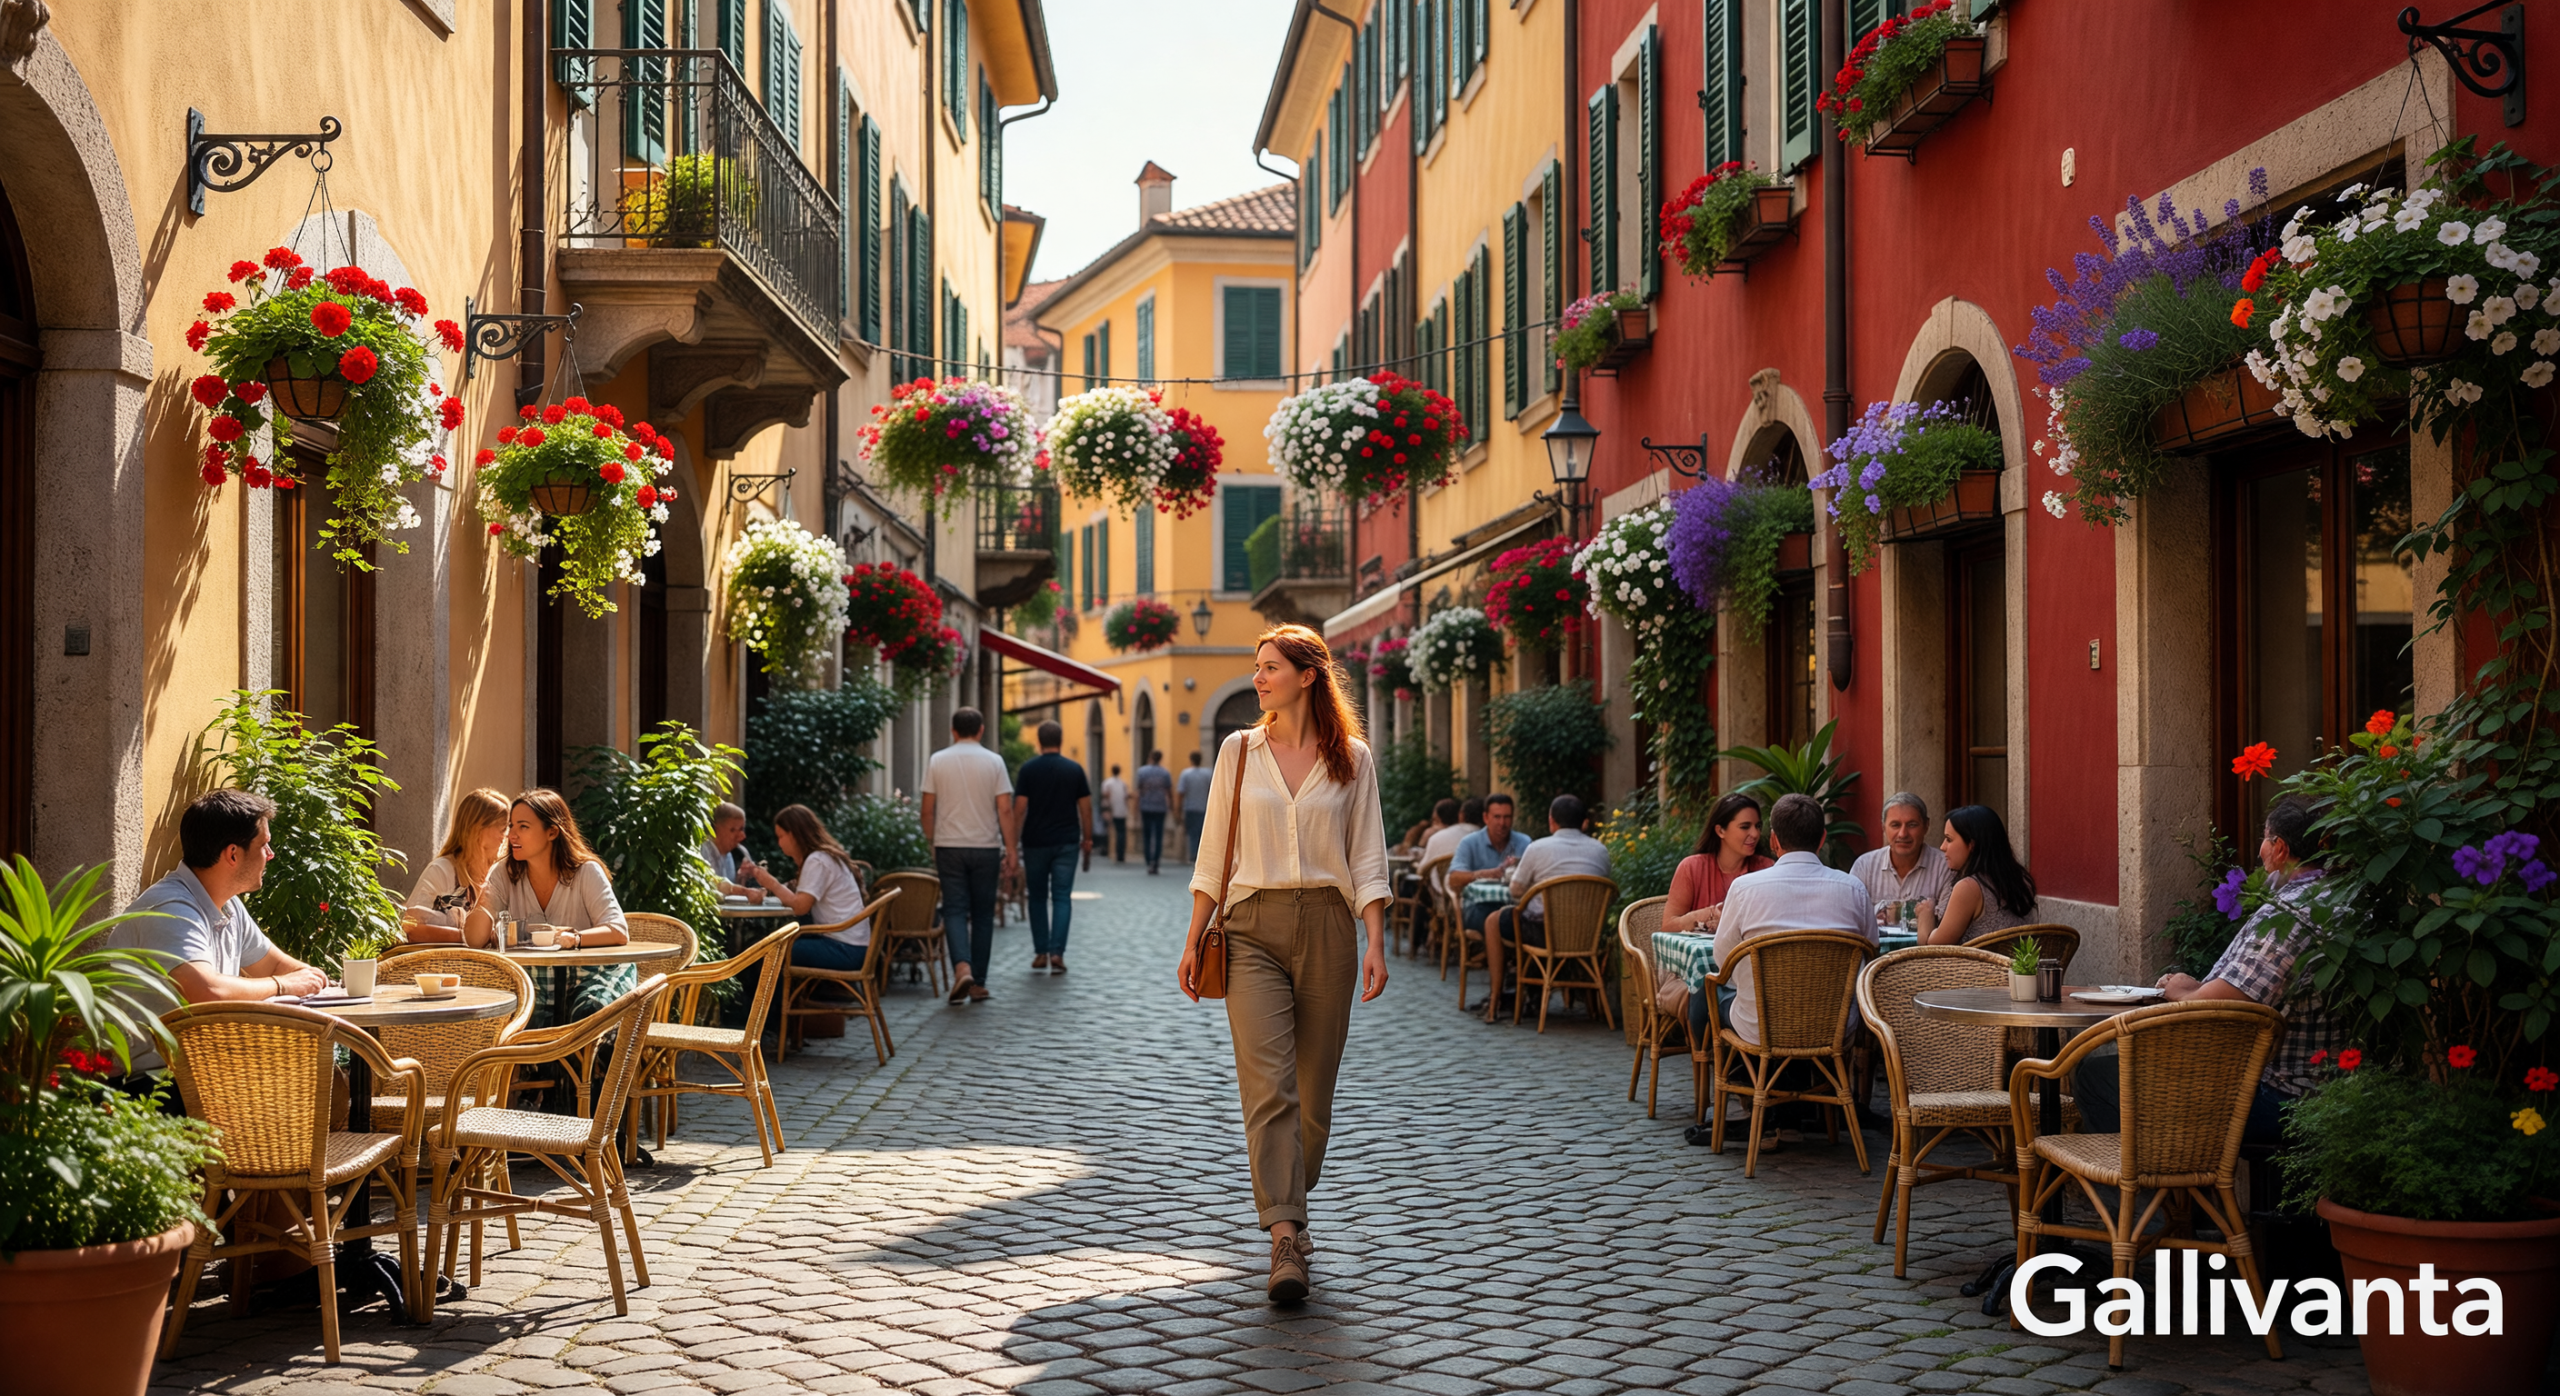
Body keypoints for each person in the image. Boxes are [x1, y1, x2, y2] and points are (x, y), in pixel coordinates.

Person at [1178, 625, 1391, 1306]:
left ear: (1307, 676)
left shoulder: (1351, 758)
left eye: (1270, 668)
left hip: (1329, 927)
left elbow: (1367, 857)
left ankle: (1291, 1200)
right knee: (1268, 1087)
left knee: (1313, 1094)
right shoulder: (1239, 753)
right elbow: (1214, 850)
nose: (1259, 678)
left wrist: (1376, 941)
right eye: (1257, 667)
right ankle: (1285, 1235)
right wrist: (1193, 937)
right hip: (1250, 930)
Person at [2073, 797, 2341, 1146]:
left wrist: (2181, 989)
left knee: (2096, 1076)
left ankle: (2147, 1193)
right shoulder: (2344, 897)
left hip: (2283, 1097)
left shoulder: (2290, 913)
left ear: (2279, 848)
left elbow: (2223, 1005)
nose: (2259, 851)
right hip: (2332, 1085)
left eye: (2264, 839)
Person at [113, 790, 328, 1071]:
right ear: (233, 854)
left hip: (198, 1077)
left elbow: (274, 963)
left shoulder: (227, 905)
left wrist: (318, 981)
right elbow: (206, 991)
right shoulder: (171, 908)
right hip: (147, 1087)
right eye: (264, 845)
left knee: (318, 1077)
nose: (270, 855)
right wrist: (284, 986)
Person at [1479, 795, 1615, 1021]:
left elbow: (1515, 891)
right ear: (1584, 822)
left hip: (1543, 935)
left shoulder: (1538, 848)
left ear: (1552, 821)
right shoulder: (1601, 851)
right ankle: (1530, 994)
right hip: (1587, 935)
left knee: (1494, 920)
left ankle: (1495, 999)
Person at [921, 707, 1017, 1004]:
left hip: (949, 846)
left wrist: (931, 841)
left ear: (953, 730)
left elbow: (927, 809)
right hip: (986, 846)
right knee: (983, 915)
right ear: (981, 730)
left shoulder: (938, 760)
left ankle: (962, 966)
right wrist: (1011, 849)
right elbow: (1004, 808)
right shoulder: (995, 762)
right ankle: (979, 982)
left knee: (954, 910)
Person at [472, 788, 630, 946]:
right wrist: (484, 889)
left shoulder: (587, 872)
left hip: (582, 970)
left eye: (523, 827)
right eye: (511, 826)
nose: (511, 835)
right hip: (522, 971)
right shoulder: (503, 872)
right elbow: (475, 941)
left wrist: (574, 939)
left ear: (552, 832)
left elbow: (618, 931)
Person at [746, 804, 872, 980]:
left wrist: (771, 883)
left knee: (766, 951)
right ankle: (788, 1004)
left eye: (781, 836)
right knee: (775, 944)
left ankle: (770, 1007)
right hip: (853, 945)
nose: (779, 842)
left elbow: (800, 907)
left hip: (844, 949)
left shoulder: (817, 861)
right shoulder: (823, 856)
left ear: (795, 835)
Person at [1011, 719, 1093, 973]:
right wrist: (1087, 839)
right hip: (1066, 842)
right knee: (1061, 897)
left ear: (1038, 741)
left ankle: (1040, 952)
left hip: (1035, 842)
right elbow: (1086, 809)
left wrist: (1012, 843)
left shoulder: (1028, 770)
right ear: (1061, 740)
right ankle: (1057, 953)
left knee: (1036, 897)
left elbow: (1020, 809)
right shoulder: (1074, 769)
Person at [401, 787, 510, 945]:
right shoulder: (442, 870)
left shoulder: (498, 874)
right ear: (478, 829)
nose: (504, 837)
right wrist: (468, 937)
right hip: (443, 966)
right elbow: (410, 928)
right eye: (502, 829)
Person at [1915, 805, 2038, 945]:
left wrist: (1926, 914)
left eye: (1949, 839)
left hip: (1983, 966)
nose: (1942, 847)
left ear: (1971, 845)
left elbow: (1935, 948)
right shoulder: (2021, 878)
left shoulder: (1969, 887)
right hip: (2018, 966)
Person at [1447, 794, 1530, 994]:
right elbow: (1453, 879)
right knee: (1490, 917)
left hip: (1512, 908)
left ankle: (1518, 984)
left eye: (1507, 817)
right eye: (1497, 817)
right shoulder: (1470, 843)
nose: (1502, 823)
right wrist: (1479, 874)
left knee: (1525, 920)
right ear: (1486, 818)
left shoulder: (1523, 842)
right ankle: (1503, 984)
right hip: (1477, 909)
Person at [1664, 793, 1773, 934]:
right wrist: (1704, 915)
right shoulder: (1691, 867)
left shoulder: (1766, 869)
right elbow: (1667, 926)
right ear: (1720, 830)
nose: (1755, 833)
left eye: (1758, 826)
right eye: (1745, 827)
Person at [1848, 792, 1953, 930]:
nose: (1903, 834)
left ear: (1926, 826)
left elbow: (1948, 925)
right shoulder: (1865, 866)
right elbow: (1851, 917)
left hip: (1926, 951)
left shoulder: (1944, 867)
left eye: (1912, 825)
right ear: (1883, 828)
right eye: (1895, 825)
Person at [699, 801, 764, 902]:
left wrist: (741, 879)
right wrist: (745, 891)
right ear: (718, 829)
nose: (742, 836)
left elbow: (727, 896)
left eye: (742, 829)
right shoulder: (703, 850)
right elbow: (710, 887)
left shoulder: (728, 855)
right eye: (734, 830)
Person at [1136, 749, 1175, 873]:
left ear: (1150, 757)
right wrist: (1172, 807)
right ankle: (1156, 861)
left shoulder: (1142, 771)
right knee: (1158, 836)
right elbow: (1169, 792)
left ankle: (1148, 860)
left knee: (1147, 835)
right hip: (1160, 807)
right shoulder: (1165, 773)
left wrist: (1136, 807)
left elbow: (1139, 790)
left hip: (1146, 806)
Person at [1177, 748, 1214, 861]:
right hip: (1204, 808)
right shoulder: (1208, 773)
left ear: (1191, 760)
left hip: (1190, 807)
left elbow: (1181, 792)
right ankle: (1200, 855)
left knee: (1192, 833)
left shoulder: (1186, 774)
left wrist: (1178, 809)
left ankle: (1193, 855)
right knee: (1202, 833)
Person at [1101, 765, 1131, 863]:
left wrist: (1106, 809)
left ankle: (1107, 850)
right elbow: (1126, 796)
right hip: (1121, 810)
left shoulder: (1107, 783)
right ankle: (1120, 854)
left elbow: (1106, 795)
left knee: (1108, 831)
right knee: (1121, 832)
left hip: (1111, 810)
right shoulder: (1123, 783)